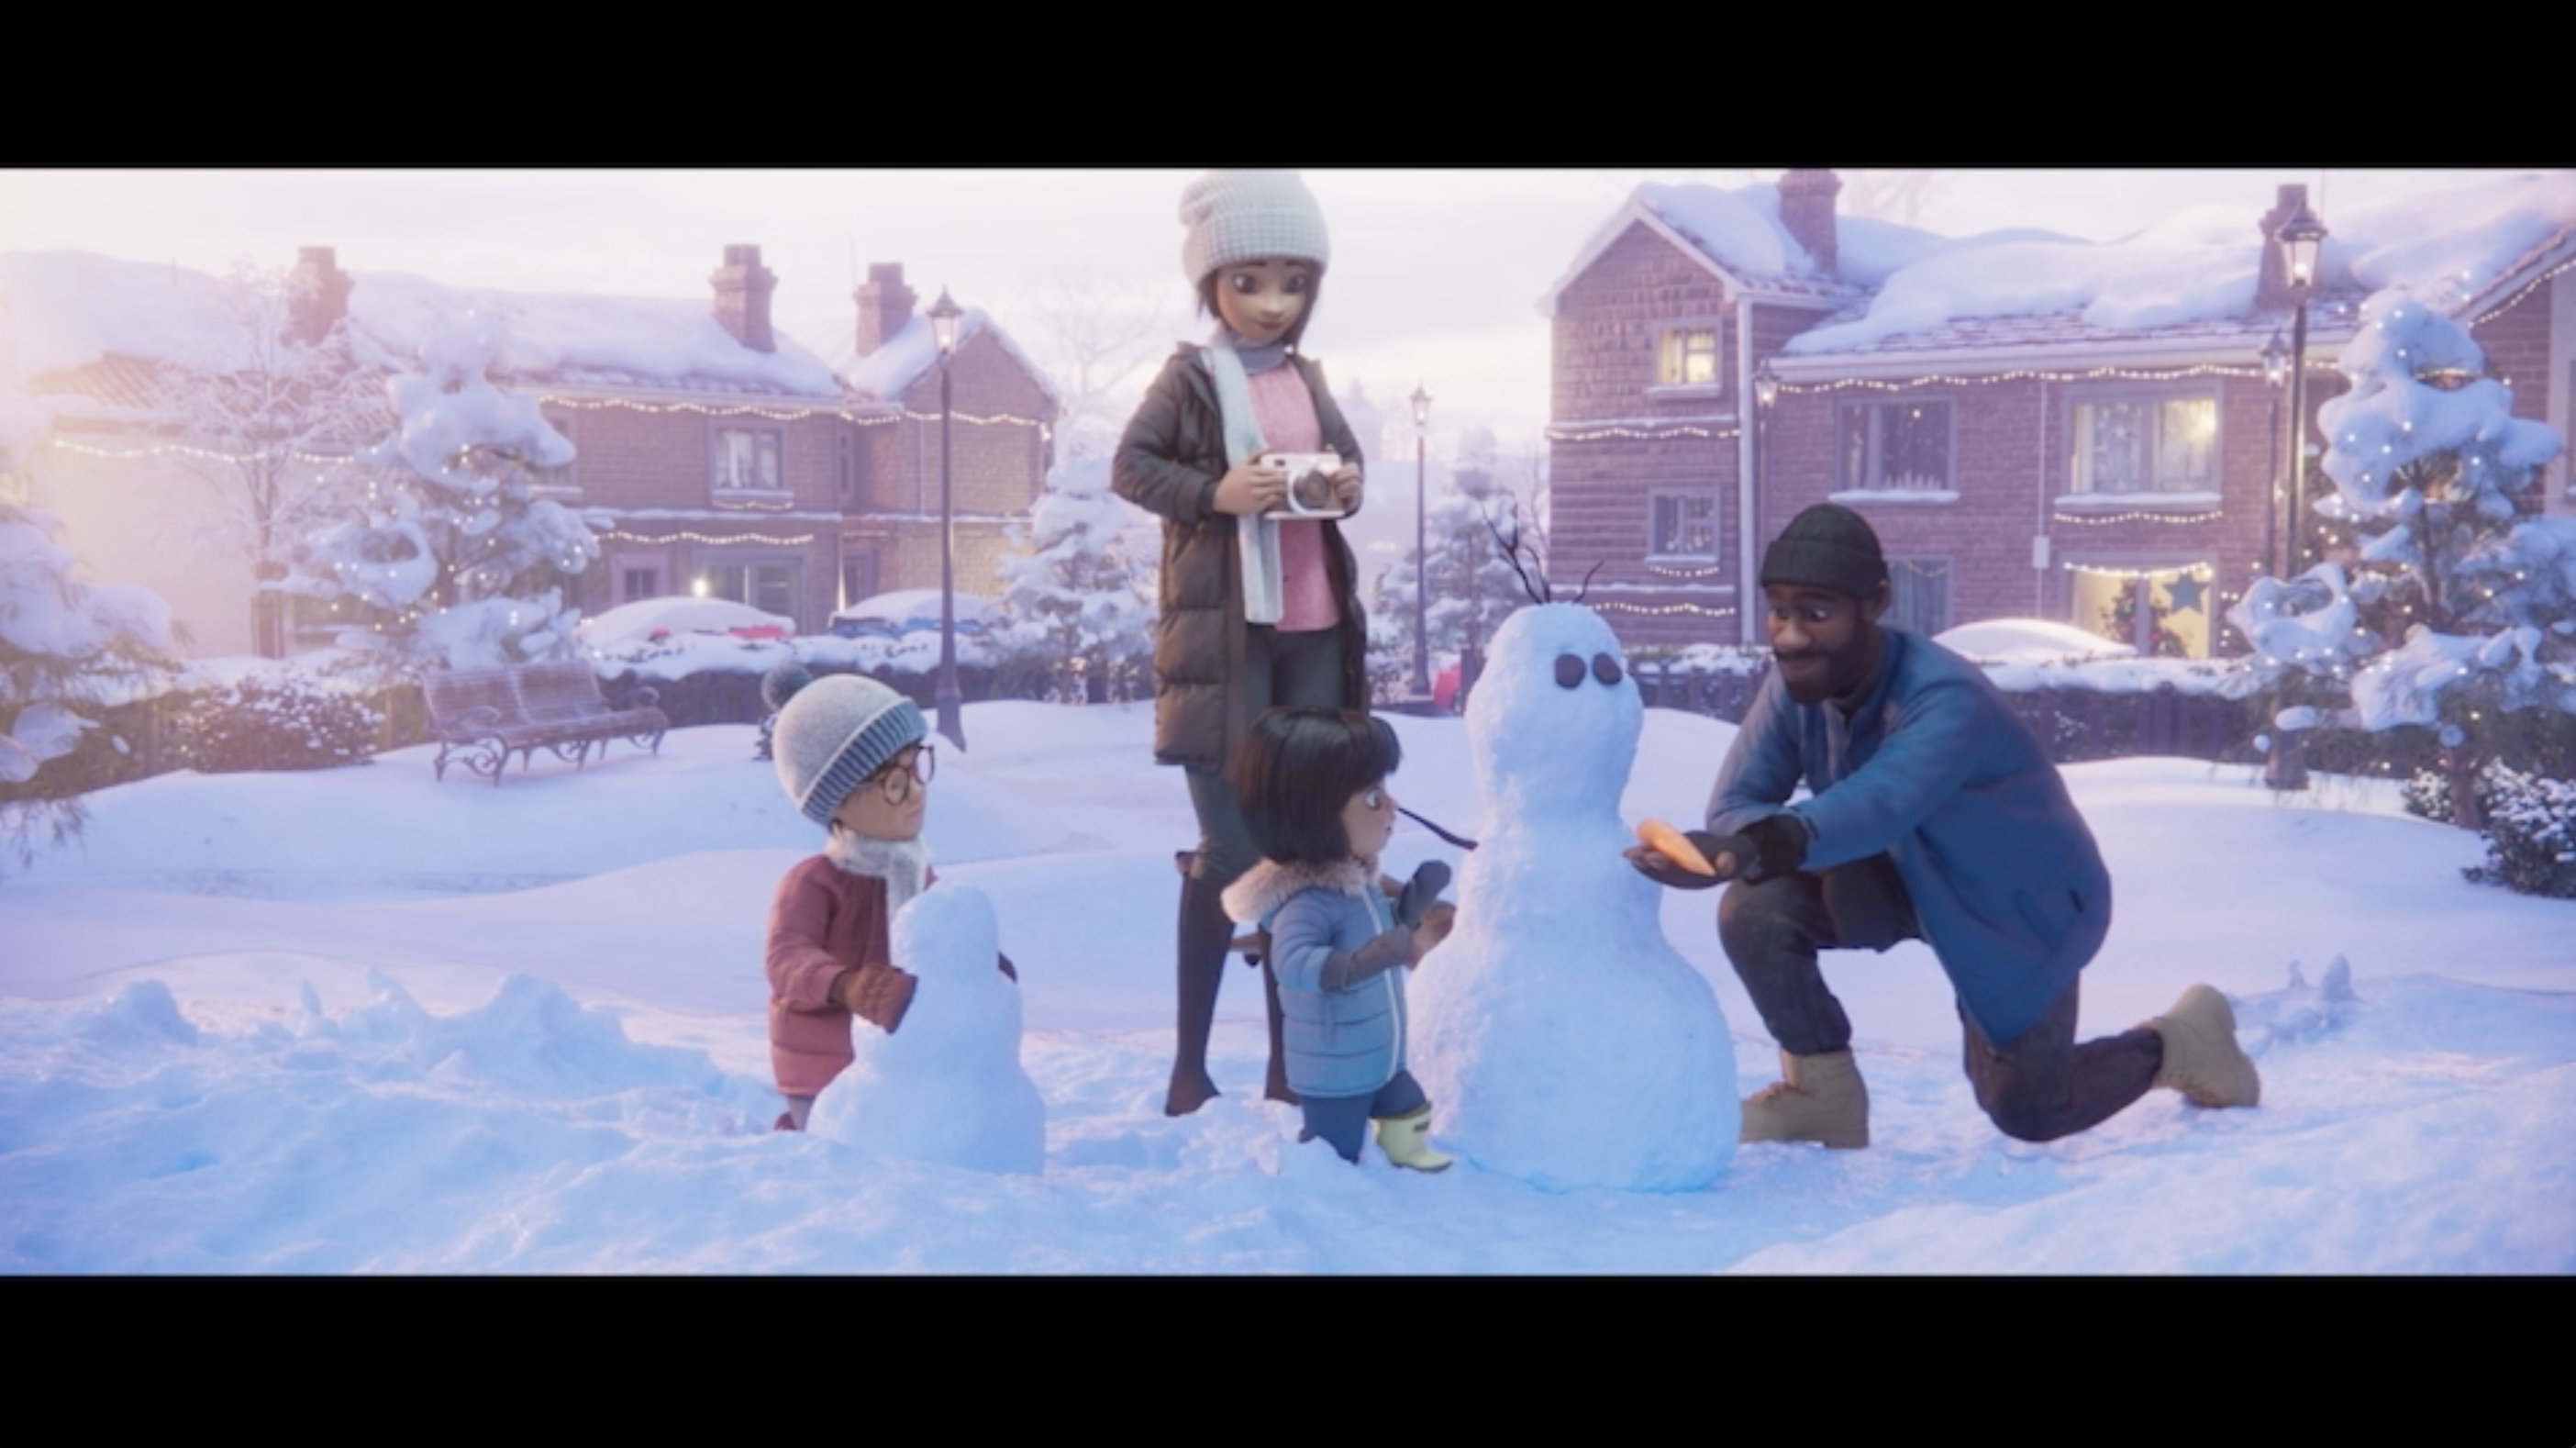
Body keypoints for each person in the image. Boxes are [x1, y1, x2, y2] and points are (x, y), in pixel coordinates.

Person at [1630, 504, 2260, 1147]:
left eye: (1816, 613)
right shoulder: (1799, 682)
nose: (1789, 637)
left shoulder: (1944, 699)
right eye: (1778, 611)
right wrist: (1739, 852)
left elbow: (1882, 801)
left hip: (2010, 903)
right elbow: (1737, 798)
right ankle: (1823, 1096)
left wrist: (1759, 846)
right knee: (1756, 910)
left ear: (1874, 603)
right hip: (1895, 875)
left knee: (2029, 1110)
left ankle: (2182, 1042)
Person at [1113, 170, 1371, 1117]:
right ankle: (1189, 1067)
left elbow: (1346, 461)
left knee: (1300, 853)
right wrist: (1217, 493)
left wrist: (1344, 484)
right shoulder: (1190, 379)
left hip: (1315, 631)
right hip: (1227, 645)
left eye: (1294, 283)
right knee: (1231, 851)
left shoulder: (1307, 377)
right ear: (1211, 282)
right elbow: (1131, 466)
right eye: (1248, 281)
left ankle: (1285, 1065)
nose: (1272, 304)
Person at [762, 668, 1014, 1131]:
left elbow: (937, 936)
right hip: (822, 1063)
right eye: (893, 783)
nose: (916, 791)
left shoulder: (915, 873)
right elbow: (786, 959)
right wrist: (846, 985)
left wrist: (978, 962)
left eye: (916, 767)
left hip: (898, 1061)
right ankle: (798, 1139)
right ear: (836, 801)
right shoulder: (812, 882)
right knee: (843, 1142)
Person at [1222, 707, 1457, 1167]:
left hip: (1381, 1057)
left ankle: (1404, 1152)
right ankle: (1329, 1185)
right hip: (1335, 1071)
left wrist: (1411, 906)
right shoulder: (1308, 903)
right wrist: (1364, 961)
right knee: (1334, 1151)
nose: (1391, 807)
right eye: (1372, 798)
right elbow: (1293, 963)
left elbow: (1380, 926)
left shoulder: (1359, 886)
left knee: (1408, 1105)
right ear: (1311, 814)